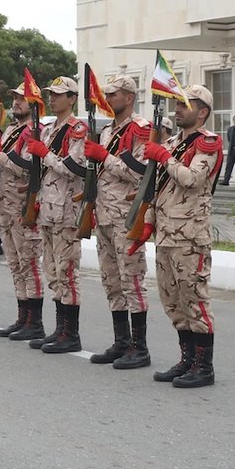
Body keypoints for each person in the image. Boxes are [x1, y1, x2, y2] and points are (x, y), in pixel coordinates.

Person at [130, 84, 222, 388]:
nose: (178, 109)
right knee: (173, 301)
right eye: (177, 103)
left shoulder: (208, 143)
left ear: (203, 112)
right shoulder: (170, 142)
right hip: (166, 234)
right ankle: (187, 359)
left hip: (191, 237)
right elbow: (158, 188)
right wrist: (148, 223)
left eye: (186, 104)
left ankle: (204, 367)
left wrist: (164, 157)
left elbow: (192, 179)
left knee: (195, 299)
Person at [81, 75, 152, 369]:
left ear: (130, 97)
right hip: (104, 215)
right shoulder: (109, 130)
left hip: (126, 217)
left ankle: (140, 348)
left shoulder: (141, 129)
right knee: (111, 281)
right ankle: (122, 342)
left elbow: (140, 173)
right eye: (107, 94)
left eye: (114, 94)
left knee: (132, 281)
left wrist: (104, 156)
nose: (108, 99)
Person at [24, 76, 88, 354]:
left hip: (67, 211)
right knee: (52, 271)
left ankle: (71, 334)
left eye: (59, 94)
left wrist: (45, 154)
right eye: (51, 94)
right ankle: (60, 329)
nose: (52, 98)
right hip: (47, 209)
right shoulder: (49, 129)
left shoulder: (77, 129)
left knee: (67, 272)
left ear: (72, 98)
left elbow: (73, 167)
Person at [0, 82, 46, 340]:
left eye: (22, 99)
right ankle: (22, 317)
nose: (16, 103)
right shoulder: (10, 130)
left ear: (34, 104)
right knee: (15, 264)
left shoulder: (35, 132)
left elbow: (27, 168)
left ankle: (35, 322)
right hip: (5, 207)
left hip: (23, 207)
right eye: (15, 98)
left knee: (29, 264)